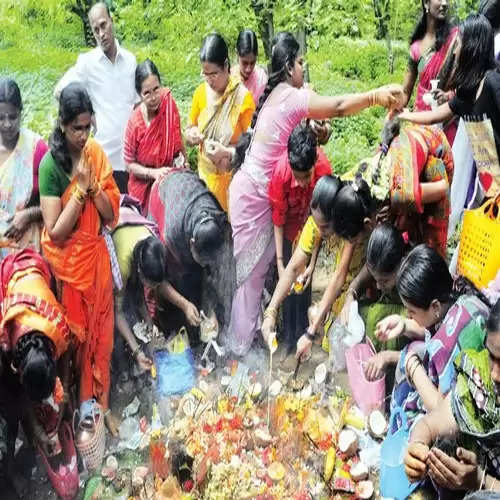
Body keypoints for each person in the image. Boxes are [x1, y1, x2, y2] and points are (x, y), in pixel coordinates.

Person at [227, 32, 404, 357]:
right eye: (300, 63)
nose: (302, 68)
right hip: (252, 198)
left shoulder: (292, 97)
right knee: (250, 277)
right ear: (288, 67)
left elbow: (320, 126)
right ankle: (241, 347)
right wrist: (376, 95)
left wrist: (320, 132)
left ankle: (253, 333)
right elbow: (335, 106)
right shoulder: (288, 96)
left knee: (262, 272)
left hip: (262, 197)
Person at [39, 83, 121, 435]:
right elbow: (55, 232)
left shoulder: (96, 154)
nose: (83, 135)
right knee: (76, 348)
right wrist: (79, 192)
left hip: (97, 263)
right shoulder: (50, 166)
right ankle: (79, 417)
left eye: (88, 127)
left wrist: (95, 189)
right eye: (77, 128)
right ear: (62, 125)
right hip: (71, 270)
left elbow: (110, 216)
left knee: (103, 342)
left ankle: (101, 410)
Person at [262, 174, 377, 360]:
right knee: (328, 326)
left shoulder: (350, 221)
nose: (319, 231)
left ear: (338, 219)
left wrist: (310, 332)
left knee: (347, 329)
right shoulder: (318, 221)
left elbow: (339, 275)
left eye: (324, 227)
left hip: (362, 271)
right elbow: (293, 268)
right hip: (344, 281)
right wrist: (271, 310)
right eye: (316, 224)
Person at [381, 245, 489, 436]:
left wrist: (413, 368)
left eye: (411, 311)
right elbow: (432, 325)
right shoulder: (457, 294)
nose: (408, 314)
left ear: (435, 306)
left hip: (463, 417)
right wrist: (405, 325)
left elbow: (441, 409)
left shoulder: (447, 344)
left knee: (406, 391)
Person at [399, 14, 500, 199]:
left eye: (459, 43)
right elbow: (435, 116)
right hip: (491, 182)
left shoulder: (493, 83)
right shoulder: (468, 90)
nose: (455, 52)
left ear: (472, 46)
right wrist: (403, 115)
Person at [404, 298, 500, 493]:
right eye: (491, 356)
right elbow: (430, 424)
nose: (495, 375)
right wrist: (417, 447)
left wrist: (480, 481)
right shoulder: (478, 377)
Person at [0, 249, 71, 494]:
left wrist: (64, 401)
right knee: (12, 406)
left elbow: (66, 359)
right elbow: (19, 395)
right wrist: (37, 430)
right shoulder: (6, 339)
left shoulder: (57, 326)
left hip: (36, 271)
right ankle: (15, 459)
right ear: (19, 371)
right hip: (12, 278)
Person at [111, 198, 201, 374]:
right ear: (138, 270)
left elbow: (157, 285)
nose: (153, 288)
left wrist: (185, 305)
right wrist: (137, 351)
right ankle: (123, 370)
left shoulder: (154, 246)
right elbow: (117, 311)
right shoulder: (122, 266)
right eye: (150, 284)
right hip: (116, 237)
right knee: (126, 317)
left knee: (141, 314)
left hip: (132, 234)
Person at [54, 2, 137, 192]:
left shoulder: (130, 60)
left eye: (103, 25)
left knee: (132, 217)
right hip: (103, 159)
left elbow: (136, 104)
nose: (101, 33)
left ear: (112, 21)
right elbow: (60, 91)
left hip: (131, 160)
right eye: (95, 29)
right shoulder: (88, 63)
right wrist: (89, 117)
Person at [268, 123, 331, 353]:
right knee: (286, 285)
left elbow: (320, 225)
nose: (303, 182)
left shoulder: (324, 171)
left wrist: (312, 264)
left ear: (315, 163)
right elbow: (277, 218)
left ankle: (301, 336)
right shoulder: (281, 173)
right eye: (299, 177)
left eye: (307, 176)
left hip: (312, 230)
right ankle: (286, 337)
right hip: (289, 230)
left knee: (303, 285)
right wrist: (280, 261)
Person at [351, 117, 454, 257]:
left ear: (369, 223)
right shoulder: (368, 178)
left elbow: (443, 188)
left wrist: (403, 210)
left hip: (438, 157)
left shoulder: (401, 194)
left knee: (431, 245)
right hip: (411, 158)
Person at [148, 168, 228, 341]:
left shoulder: (216, 219)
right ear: (191, 243)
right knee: (177, 277)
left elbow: (209, 271)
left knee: (196, 274)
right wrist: (184, 305)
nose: (203, 264)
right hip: (163, 197)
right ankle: (172, 325)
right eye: (200, 259)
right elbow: (159, 279)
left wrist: (210, 309)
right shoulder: (171, 234)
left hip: (186, 188)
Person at [185, 33, 255, 212]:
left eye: (214, 74)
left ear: (226, 66)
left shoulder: (242, 99)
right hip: (205, 184)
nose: (209, 80)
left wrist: (227, 152)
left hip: (233, 184)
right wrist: (191, 135)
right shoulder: (200, 93)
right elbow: (190, 127)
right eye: (205, 74)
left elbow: (253, 147)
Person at [341, 224, 409, 383]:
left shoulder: (412, 276)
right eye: (375, 278)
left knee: (375, 318)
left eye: (384, 280)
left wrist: (388, 357)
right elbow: (357, 283)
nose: (378, 286)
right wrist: (350, 297)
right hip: (389, 309)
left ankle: (389, 377)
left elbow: (426, 332)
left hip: (411, 331)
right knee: (359, 314)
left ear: (401, 263)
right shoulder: (377, 261)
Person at [123, 59, 188, 214]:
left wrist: (184, 161)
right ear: (139, 94)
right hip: (144, 190)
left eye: (156, 89)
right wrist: (154, 173)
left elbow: (177, 136)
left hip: (169, 182)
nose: (153, 97)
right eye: (147, 93)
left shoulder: (168, 104)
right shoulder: (135, 123)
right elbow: (128, 164)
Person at [0, 78, 48, 259]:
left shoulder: (36, 149)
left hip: (26, 248)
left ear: (21, 112)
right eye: (1, 118)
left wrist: (29, 215)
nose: (7, 124)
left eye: (12, 117)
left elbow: (58, 203)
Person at [401, 0, 459, 144]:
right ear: (426, 3)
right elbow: (405, 92)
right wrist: (393, 109)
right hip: (420, 122)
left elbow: (466, 82)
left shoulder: (456, 40)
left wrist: (447, 96)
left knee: (444, 164)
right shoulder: (416, 48)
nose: (445, 3)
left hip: (447, 121)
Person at [232, 29, 268, 105]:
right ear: (237, 54)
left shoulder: (261, 80)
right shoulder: (228, 79)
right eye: (244, 63)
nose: (248, 69)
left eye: (252, 63)